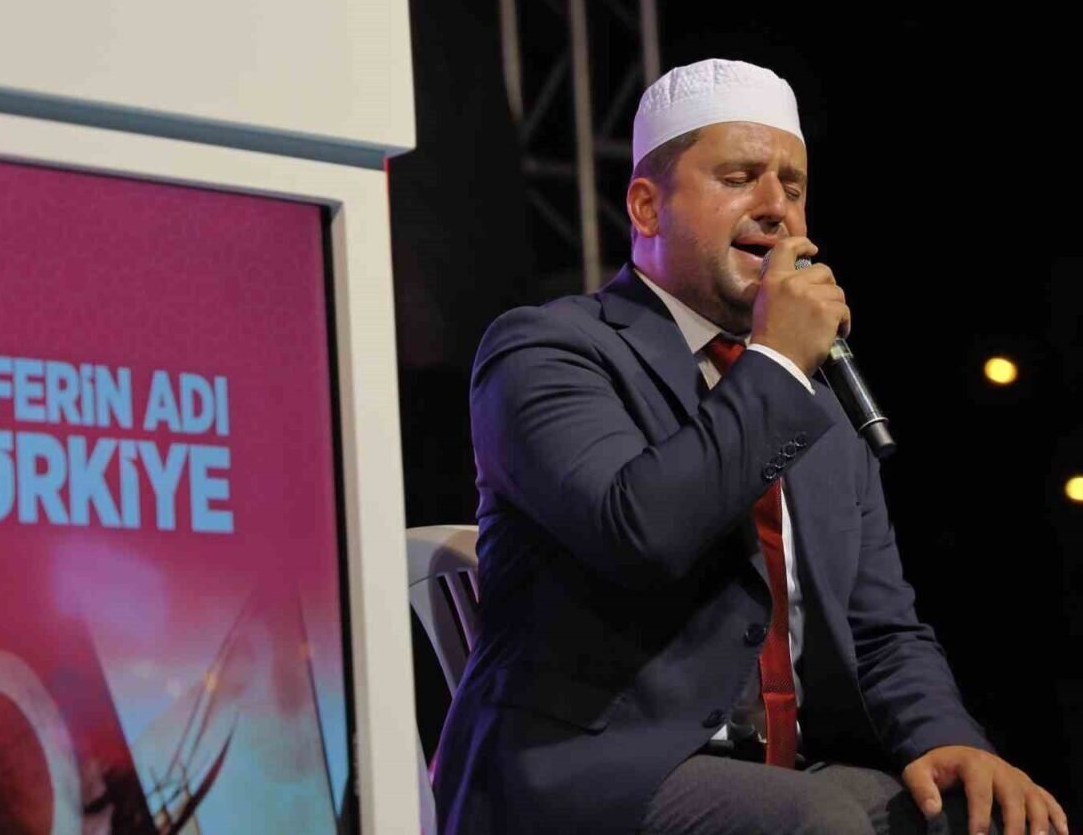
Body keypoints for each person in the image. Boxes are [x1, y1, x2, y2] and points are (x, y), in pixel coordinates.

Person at [429, 58, 1067, 835]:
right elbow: (638, 531)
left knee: (993, 819)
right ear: (646, 206)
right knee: (819, 822)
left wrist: (947, 739)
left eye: (793, 187)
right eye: (739, 178)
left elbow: (881, 628)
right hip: (585, 777)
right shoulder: (548, 349)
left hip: (782, 777)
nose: (776, 208)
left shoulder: (810, 391)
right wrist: (776, 361)